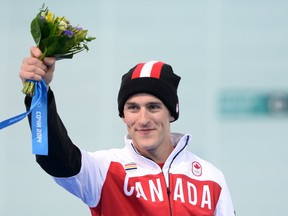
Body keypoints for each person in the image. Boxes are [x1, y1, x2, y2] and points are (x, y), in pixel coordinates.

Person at [20, 46, 235, 216]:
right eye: (133, 108)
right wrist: (39, 93)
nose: (143, 120)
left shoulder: (211, 178)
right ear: (123, 116)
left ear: (172, 112)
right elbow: (57, 159)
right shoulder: (105, 170)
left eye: (153, 107)